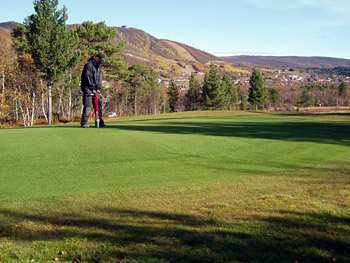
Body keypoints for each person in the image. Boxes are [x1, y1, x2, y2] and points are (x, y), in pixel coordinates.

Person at [80, 53, 108, 128]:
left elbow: (99, 78)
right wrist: (92, 87)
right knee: (88, 105)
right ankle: (84, 122)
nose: (100, 63)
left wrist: (98, 88)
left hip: (95, 88)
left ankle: (100, 122)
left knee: (98, 104)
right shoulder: (88, 66)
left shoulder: (98, 67)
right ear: (97, 58)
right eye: (100, 61)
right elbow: (88, 77)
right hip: (87, 88)